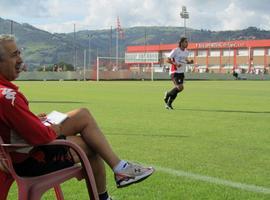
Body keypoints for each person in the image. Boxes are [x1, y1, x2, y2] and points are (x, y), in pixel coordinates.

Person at [0, 34, 154, 200]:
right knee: (91, 146)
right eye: (14, 55)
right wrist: (53, 128)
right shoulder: (7, 96)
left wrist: (35, 121)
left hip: (19, 151)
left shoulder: (5, 92)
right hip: (27, 159)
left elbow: (13, 126)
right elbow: (39, 136)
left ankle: (120, 169)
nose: (20, 59)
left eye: (19, 53)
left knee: (82, 114)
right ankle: (110, 187)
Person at [164, 37, 193, 109]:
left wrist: (189, 62)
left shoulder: (186, 52)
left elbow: (185, 61)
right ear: (181, 43)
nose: (187, 43)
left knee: (180, 88)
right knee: (179, 87)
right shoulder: (176, 50)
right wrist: (176, 64)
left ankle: (169, 103)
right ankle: (168, 96)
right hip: (174, 71)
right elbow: (167, 60)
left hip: (181, 72)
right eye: (186, 42)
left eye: (187, 42)